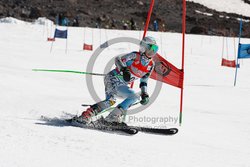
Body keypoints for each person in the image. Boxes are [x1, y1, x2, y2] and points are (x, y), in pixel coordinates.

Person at [76, 36, 159, 124]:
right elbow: (118, 59)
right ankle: (102, 116)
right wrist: (124, 69)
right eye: (151, 48)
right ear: (144, 47)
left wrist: (144, 93)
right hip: (112, 78)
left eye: (155, 49)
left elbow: (144, 80)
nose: (152, 52)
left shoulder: (151, 65)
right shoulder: (134, 56)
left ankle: (100, 116)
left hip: (121, 84)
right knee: (121, 99)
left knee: (118, 100)